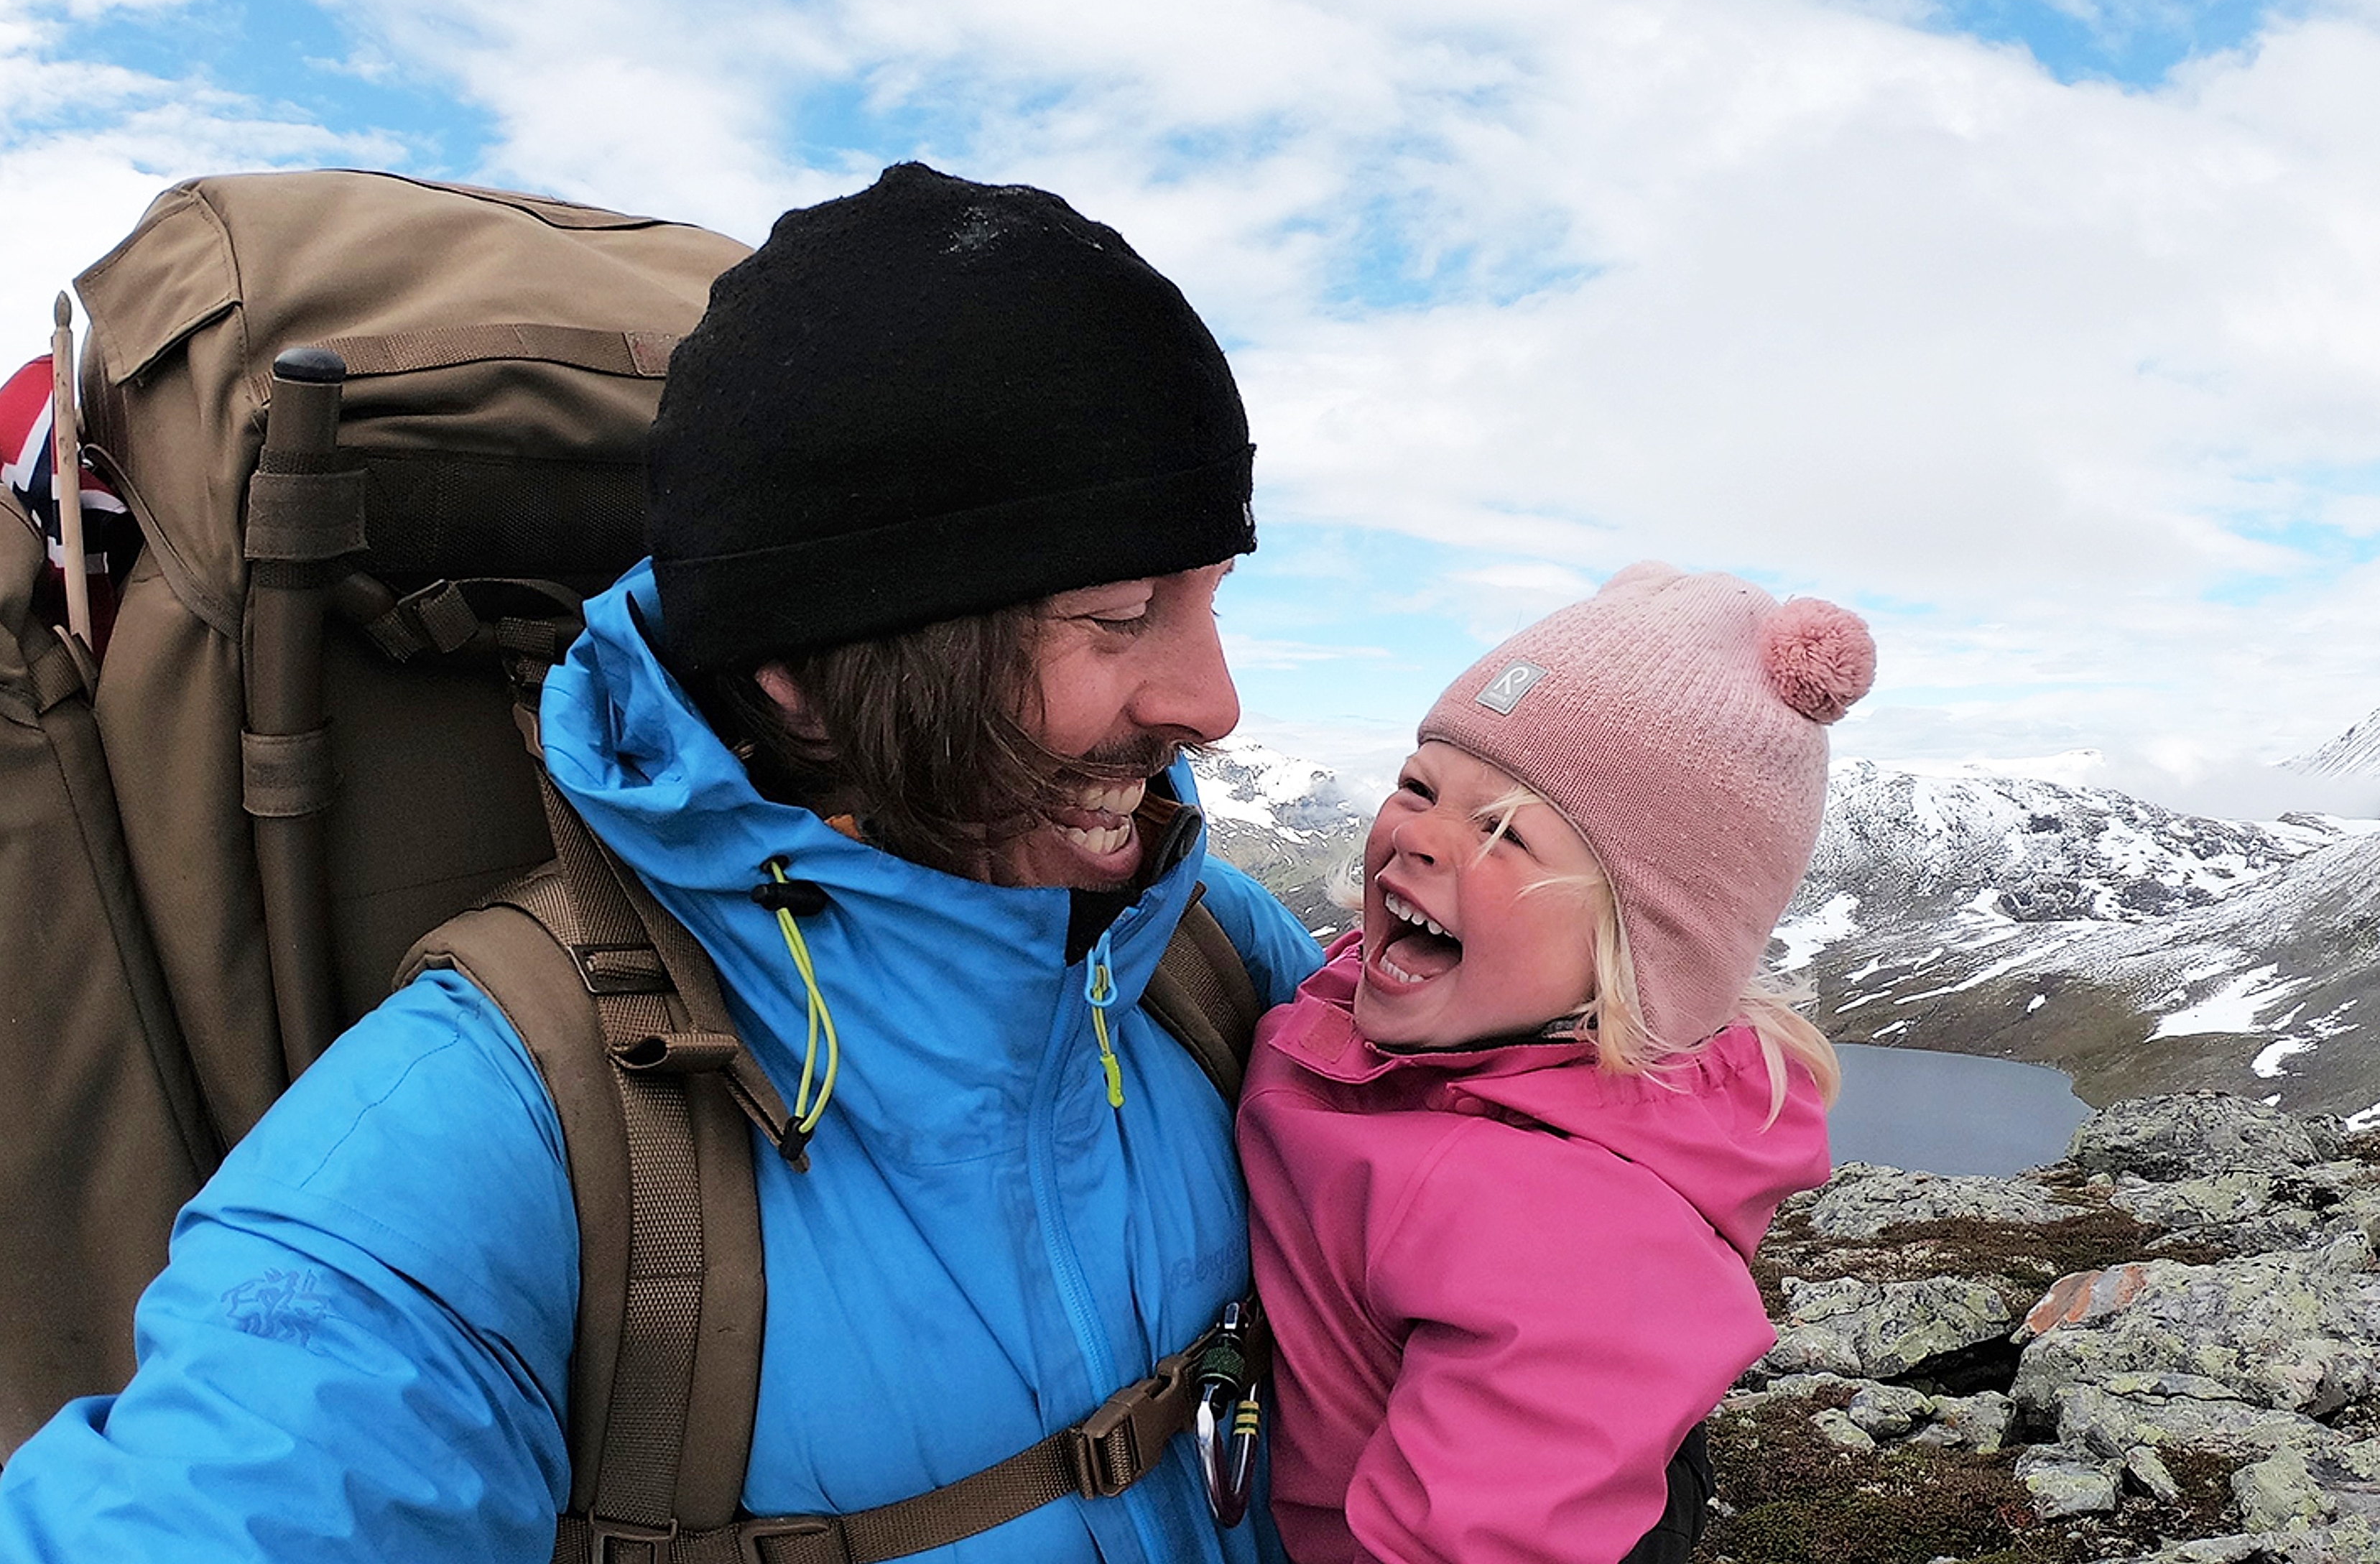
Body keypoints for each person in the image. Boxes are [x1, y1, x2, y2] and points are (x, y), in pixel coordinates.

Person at [0, 165, 1327, 1563]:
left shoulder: (1204, 952)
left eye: (1209, 596)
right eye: (1118, 613)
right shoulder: (486, 1118)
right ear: (805, 670)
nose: (1213, 699)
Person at [1236, 562, 1875, 1563]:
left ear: (1639, 947)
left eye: (1504, 833)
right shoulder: (1393, 1010)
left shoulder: (1577, 1233)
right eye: (1419, 786)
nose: (1422, 838)